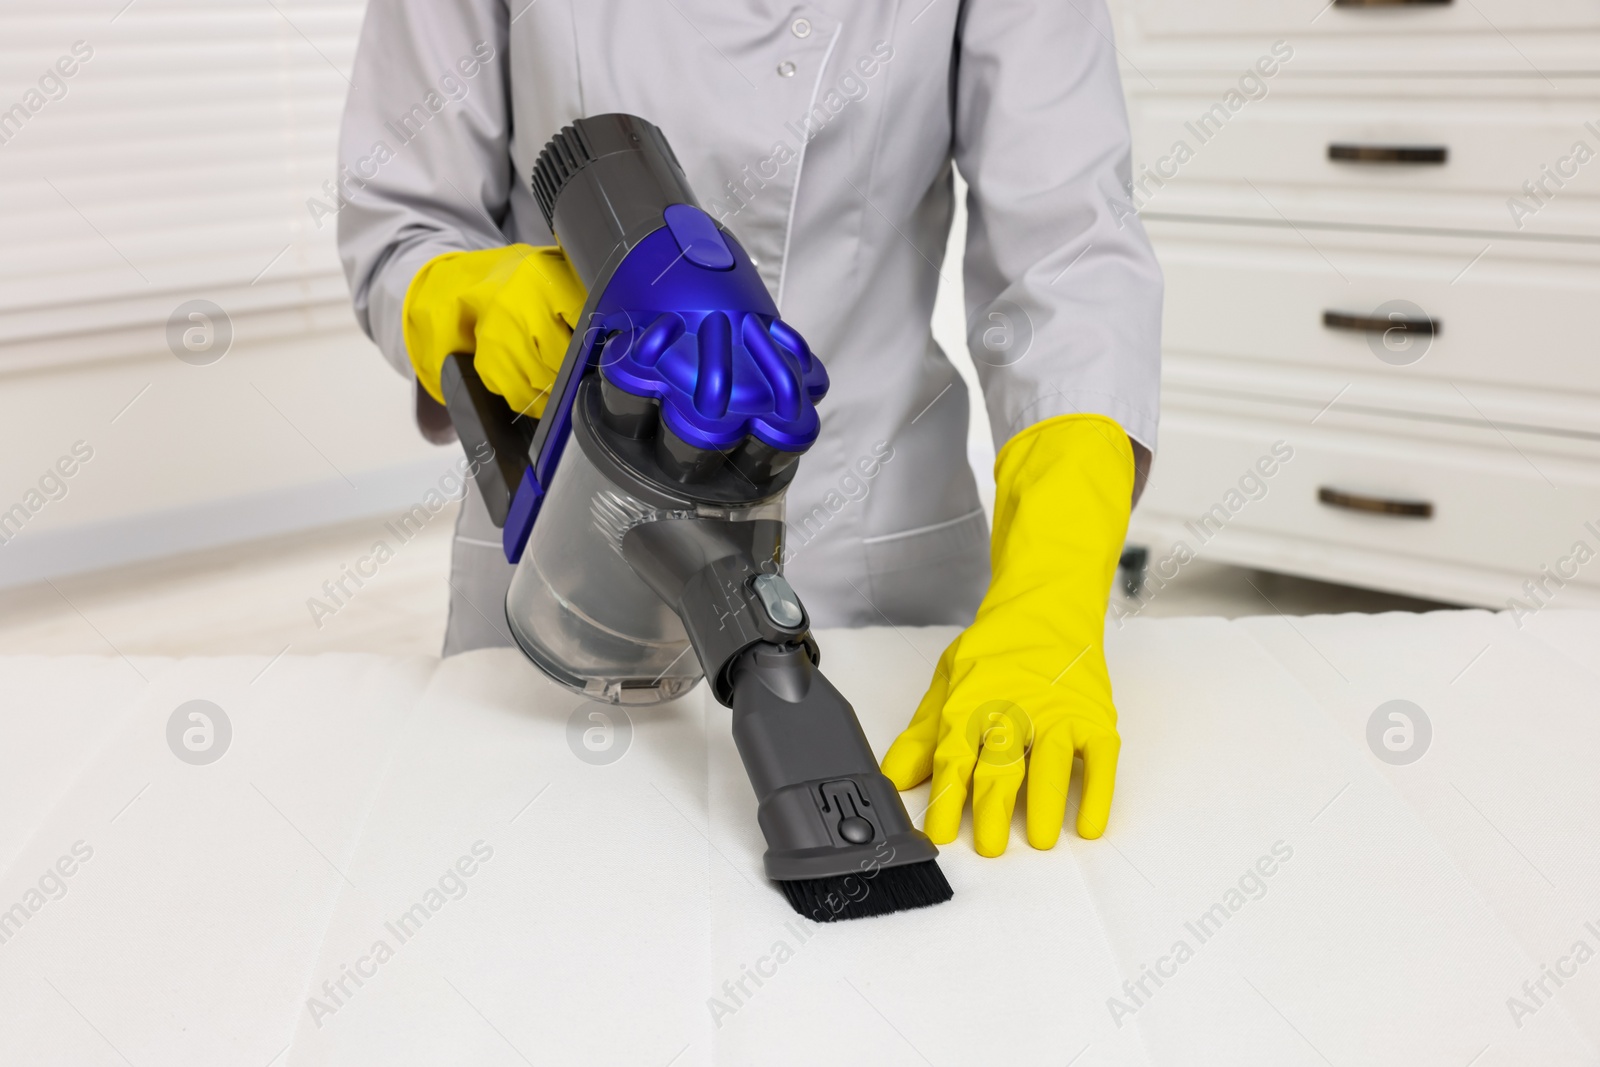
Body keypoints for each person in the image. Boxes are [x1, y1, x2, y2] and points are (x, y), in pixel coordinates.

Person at [336, 1, 1161, 857]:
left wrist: (1048, 602)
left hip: (876, 576)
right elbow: (400, 216)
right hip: (564, 573)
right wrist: (462, 296)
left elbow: (1071, 263)